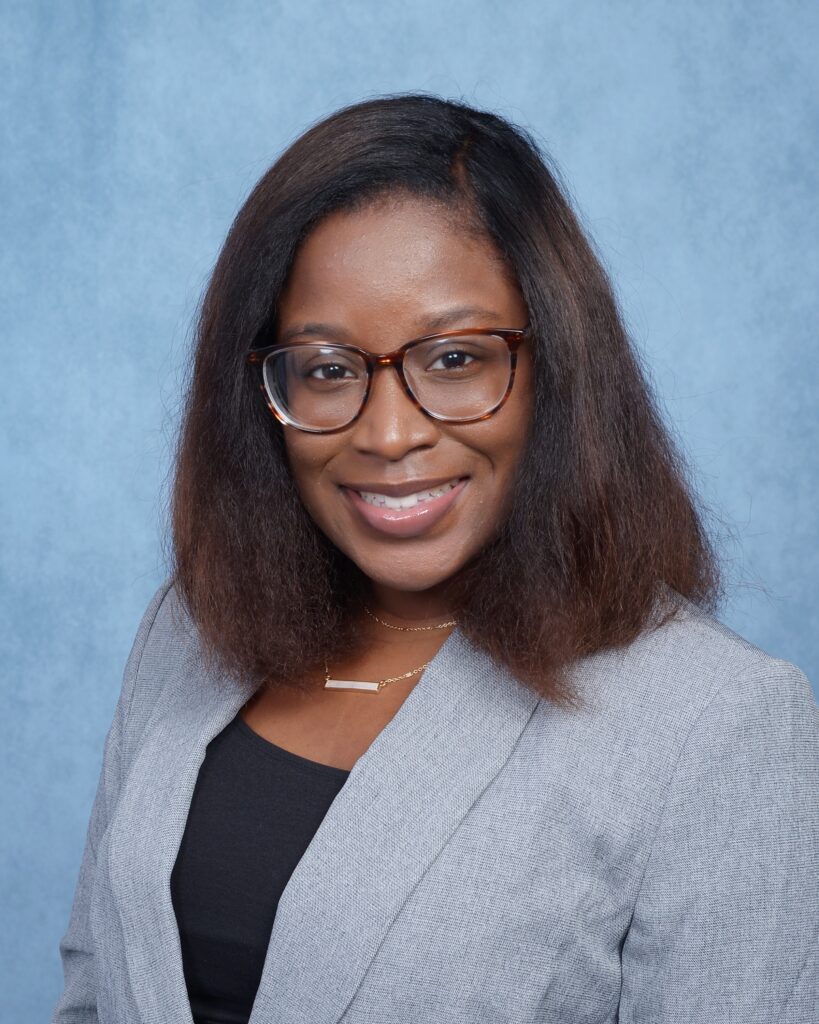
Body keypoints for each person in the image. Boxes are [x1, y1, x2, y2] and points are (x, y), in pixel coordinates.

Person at [52, 94, 818, 1024]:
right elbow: (95, 994)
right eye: (328, 367)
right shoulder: (191, 628)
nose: (386, 433)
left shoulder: (715, 724)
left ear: (558, 370)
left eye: (454, 359)